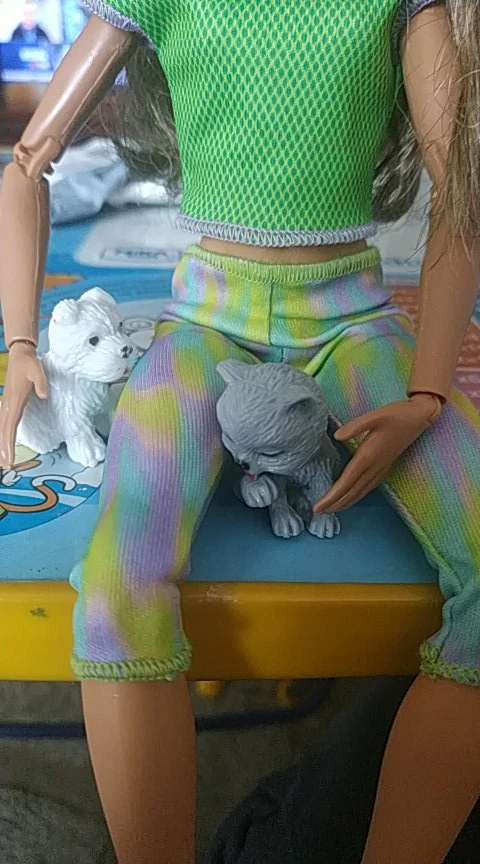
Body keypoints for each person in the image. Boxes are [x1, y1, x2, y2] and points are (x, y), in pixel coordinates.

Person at [0, 2, 479, 863]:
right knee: (115, 586)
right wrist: (25, 344)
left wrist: (426, 390)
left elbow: (463, 185)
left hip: (353, 317)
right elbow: (29, 158)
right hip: (207, 316)